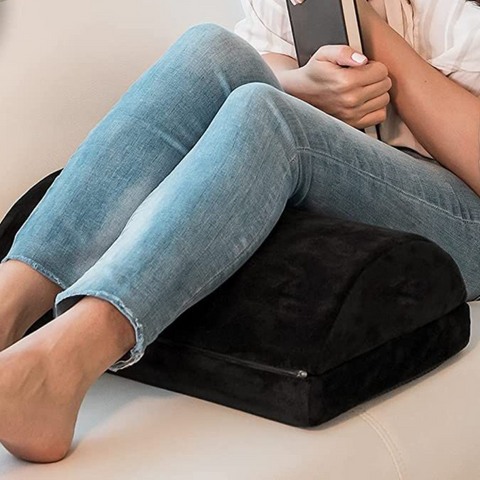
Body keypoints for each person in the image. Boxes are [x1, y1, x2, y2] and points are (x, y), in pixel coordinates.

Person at [0, 0, 479, 465]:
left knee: (266, 112)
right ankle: (8, 308)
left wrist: (369, 25)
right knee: (210, 50)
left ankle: (59, 369)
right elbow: (268, 53)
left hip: (465, 207)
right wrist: (308, 85)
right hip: (362, 162)